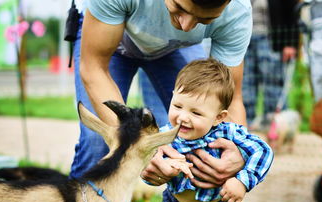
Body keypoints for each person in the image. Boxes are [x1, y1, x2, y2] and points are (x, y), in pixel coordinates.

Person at [70, 0, 253, 187]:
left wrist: (239, 151)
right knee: (97, 142)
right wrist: (139, 146)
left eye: (204, 19)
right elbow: (94, 68)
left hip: (174, 47)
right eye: (179, 8)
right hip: (111, 40)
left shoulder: (236, 11)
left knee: (203, 119)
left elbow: (228, 101)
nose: (186, 27)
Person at [148, 58, 274, 202]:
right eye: (178, 105)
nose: (182, 118)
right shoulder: (165, 136)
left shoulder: (228, 132)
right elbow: (148, 163)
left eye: (196, 112)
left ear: (219, 117)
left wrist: (242, 181)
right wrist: (159, 166)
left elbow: (263, 151)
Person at [242, 0, 300, 127]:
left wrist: (291, 43)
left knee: (273, 84)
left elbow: (293, 12)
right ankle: (246, 125)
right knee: (245, 83)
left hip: (271, 39)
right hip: (244, 38)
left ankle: (275, 127)